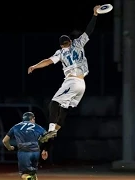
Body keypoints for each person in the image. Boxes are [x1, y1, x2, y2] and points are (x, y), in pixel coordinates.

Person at [27, 5, 101, 144]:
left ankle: (51, 130)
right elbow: (89, 30)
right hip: (82, 85)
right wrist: (95, 15)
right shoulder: (78, 43)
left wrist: (35, 66)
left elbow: (48, 61)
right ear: (70, 41)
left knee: (54, 103)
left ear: (61, 45)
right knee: (65, 108)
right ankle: (56, 130)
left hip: (71, 81)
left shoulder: (60, 52)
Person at [2, 112, 49, 180]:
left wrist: (9, 147)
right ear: (33, 119)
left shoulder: (16, 126)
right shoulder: (38, 127)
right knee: (33, 173)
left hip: (24, 152)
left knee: (24, 174)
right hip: (36, 152)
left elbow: (4, 141)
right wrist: (45, 149)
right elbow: (48, 137)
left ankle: (28, 178)